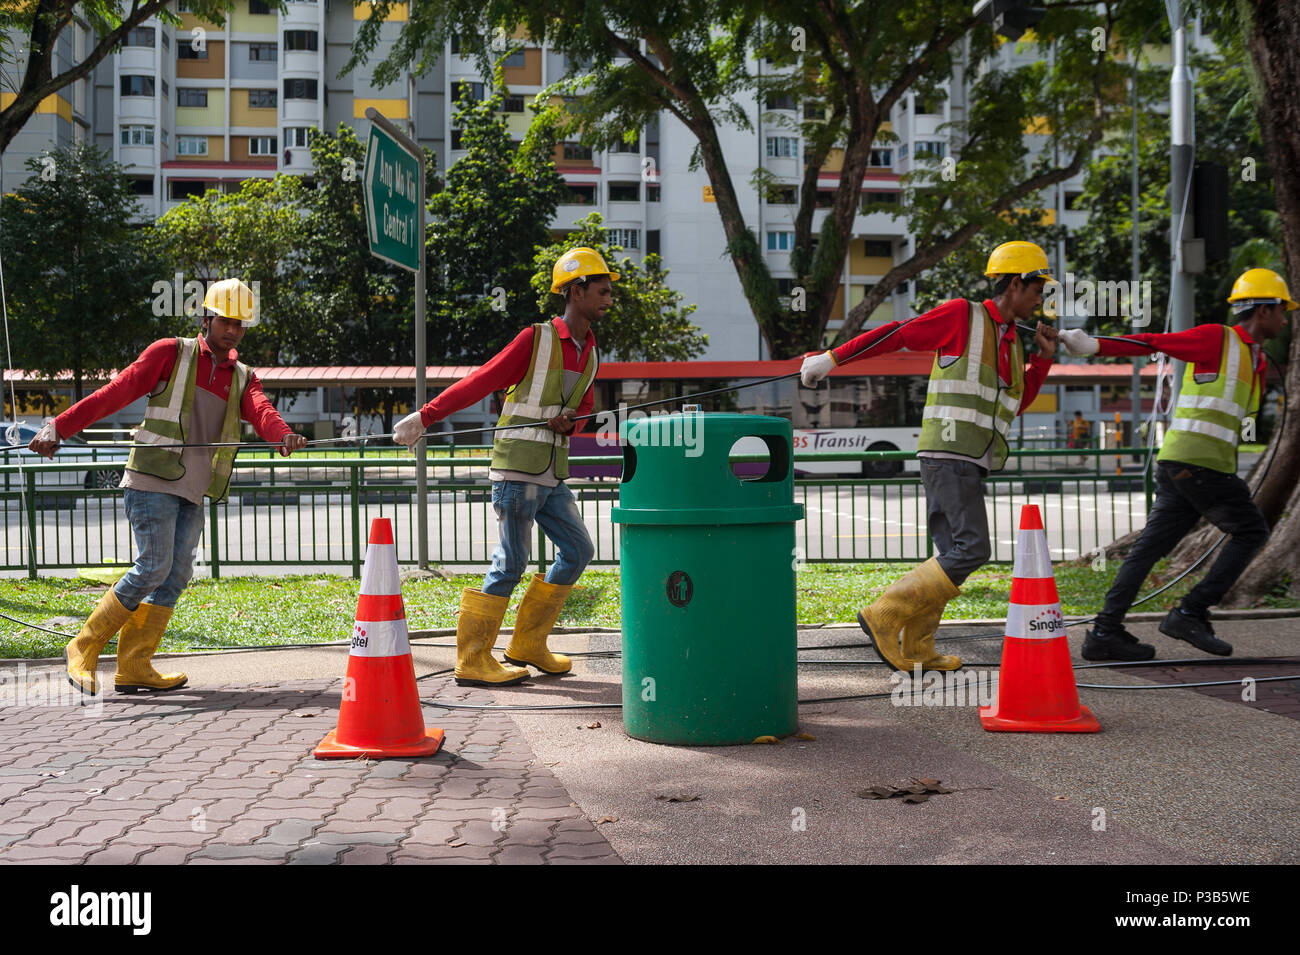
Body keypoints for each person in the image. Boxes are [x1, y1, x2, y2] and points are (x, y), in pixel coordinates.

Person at [29, 278, 309, 696]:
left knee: (175, 574)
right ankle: (83, 647)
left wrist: (282, 434)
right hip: (151, 479)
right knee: (154, 566)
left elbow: (262, 412)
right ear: (207, 318)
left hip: (192, 489)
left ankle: (135, 665)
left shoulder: (243, 377)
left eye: (240, 325)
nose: (233, 331)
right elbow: (114, 393)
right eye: (226, 321)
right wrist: (59, 427)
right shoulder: (170, 353)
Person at [801, 241, 1059, 672]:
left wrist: (1042, 362)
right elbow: (898, 333)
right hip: (949, 450)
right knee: (973, 548)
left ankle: (918, 648)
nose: (1040, 299)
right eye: (1037, 290)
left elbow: (1015, 402)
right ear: (1015, 284)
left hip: (972, 455)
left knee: (949, 549)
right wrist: (833, 358)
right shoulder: (963, 315)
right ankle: (883, 613)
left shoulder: (1013, 340)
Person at [394, 247, 611, 686]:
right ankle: (473, 659)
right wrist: (425, 417)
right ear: (576, 290)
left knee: (578, 550)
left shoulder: (591, 353)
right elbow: (484, 379)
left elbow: (583, 408)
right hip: (517, 471)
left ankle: (528, 644)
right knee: (511, 562)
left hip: (550, 473)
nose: (610, 298)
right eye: (602, 290)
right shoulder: (536, 338)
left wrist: (572, 423)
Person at [1058, 267, 1290, 660]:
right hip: (1199, 467)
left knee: (1148, 550)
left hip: (1183, 465)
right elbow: (1153, 342)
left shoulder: (1257, 360)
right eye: (1282, 311)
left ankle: (1104, 633)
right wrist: (1093, 346)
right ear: (1263, 310)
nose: (1286, 320)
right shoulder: (1217, 337)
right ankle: (1190, 612)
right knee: (1251, 531)